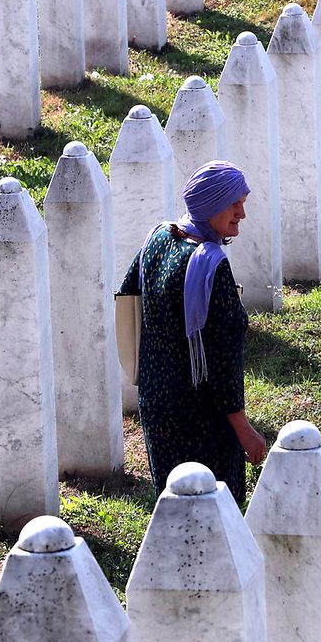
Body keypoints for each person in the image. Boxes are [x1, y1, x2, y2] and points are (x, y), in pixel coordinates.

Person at [118, 161, 270, 496]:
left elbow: (129, 296)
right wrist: (244, 430)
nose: (241, 214)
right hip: (200, 417)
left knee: (171, 506)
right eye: (235, 204)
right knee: (213, 512)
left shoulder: (158, 238)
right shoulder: (211, 266)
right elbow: (221, 362)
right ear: (213, 204)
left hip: (156, 402)